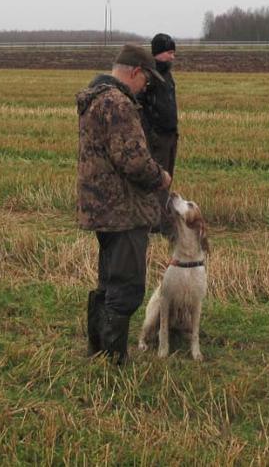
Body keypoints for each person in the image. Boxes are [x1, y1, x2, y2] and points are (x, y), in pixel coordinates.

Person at [77, 44, 172, 364]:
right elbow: (132, 161)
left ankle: (98, 350)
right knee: (127, 286)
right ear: (135, 72)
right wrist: (160, 177)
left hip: (102, 206)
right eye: (146, 80)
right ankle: (114, 358)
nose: (146, 87)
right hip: (122, 209)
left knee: (108, 281)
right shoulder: (118, 103)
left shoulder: (95, 98)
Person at [140, 33, 179, 232]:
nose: (172, 57)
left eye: (173, 53)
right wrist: (151, 135)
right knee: (158, 178)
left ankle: (162, 218)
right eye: (169, 53)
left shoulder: (167, 76)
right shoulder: (148, 77)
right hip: (157, 138)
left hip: (170, 135)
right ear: (158, 53)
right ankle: (157, 224)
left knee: (167, 178)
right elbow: (140, 109)